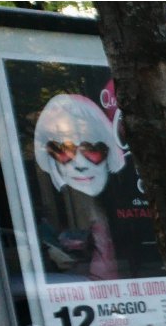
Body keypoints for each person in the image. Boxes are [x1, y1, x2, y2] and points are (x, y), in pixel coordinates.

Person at [33, 93, 126, 280]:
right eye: (63, 151)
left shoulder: (125, 211)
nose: (80, 163)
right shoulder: (70, 216)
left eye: (92, 149)